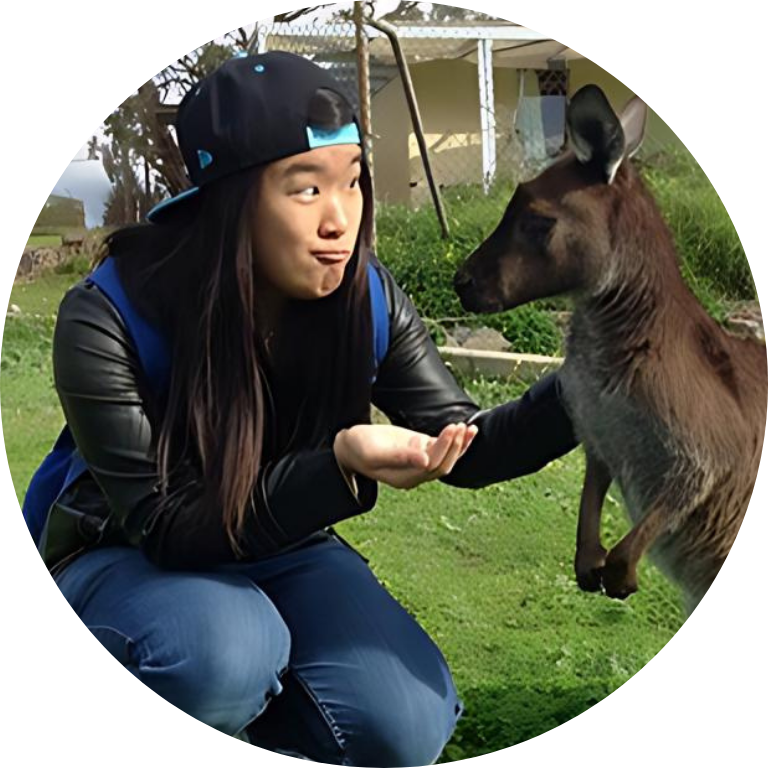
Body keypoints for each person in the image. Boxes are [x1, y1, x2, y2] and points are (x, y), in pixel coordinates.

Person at [40, 51, 578, 765]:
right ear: (228, 199)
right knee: (221, 653)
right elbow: (166, 525)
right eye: (305, 189)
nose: (340, 220)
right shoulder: (110, 315)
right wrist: (336, 464)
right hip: (128, 551)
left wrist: (590, 390)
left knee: (406, 725)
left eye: (352, 182)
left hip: (277, 538)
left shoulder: (368, 298)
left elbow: (466, 439)